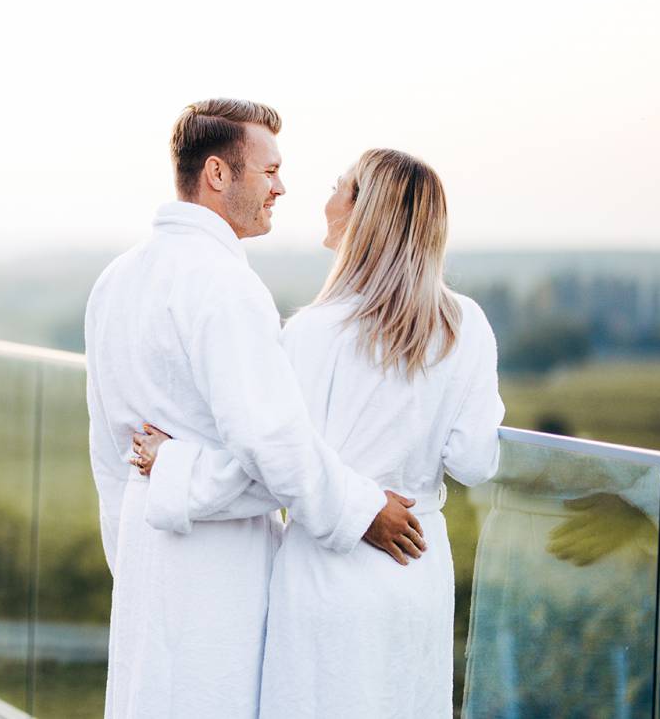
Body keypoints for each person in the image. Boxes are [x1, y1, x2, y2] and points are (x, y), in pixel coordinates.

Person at [131, 148, 505, 718]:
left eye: (339, 187)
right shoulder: (466, 325)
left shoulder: (314, 333)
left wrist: (174, 463)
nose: (325, 199)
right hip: (418, 567)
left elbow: (272, 470)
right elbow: (476, 460)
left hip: (330, 578)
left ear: (363, 213)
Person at [85, 100, 425, 718]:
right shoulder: (225, 283)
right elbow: (273, 445)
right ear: (218, 174)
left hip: (143, 556)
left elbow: (109, 456)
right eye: (268, 171)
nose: (282, 187)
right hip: (219, 576)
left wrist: (131, 552)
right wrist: (360, 509)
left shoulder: (116, 278)